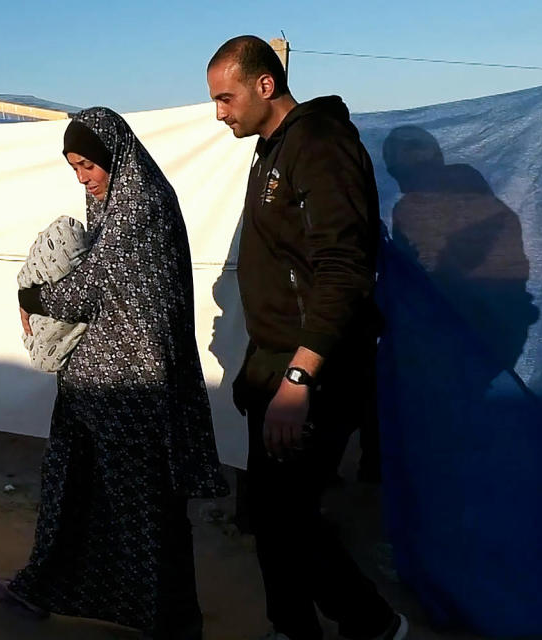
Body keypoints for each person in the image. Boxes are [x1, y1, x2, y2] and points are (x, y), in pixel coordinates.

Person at [0, 107, 228, 640]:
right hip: (96, 386)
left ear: (116, 155)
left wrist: (31, 294)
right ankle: (37, 589)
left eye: (89, 164)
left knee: (145, 508)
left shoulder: (139, 204)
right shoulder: (112, 204)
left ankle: (175, 621)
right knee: (73, 492)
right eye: (74, 168)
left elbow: (89, 289)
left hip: (133, 389)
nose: (84, 178)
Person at [206, 36, 408, 640]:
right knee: (268, 516)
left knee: (287, 517)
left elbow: (344, 267)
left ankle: (374, 624)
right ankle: (291, 626)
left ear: (265, 85)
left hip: (315, 367)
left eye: (226, 97)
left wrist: (299, 377)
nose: (220, 113)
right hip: (272, 363)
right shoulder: (271, 149)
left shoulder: (321, 144)